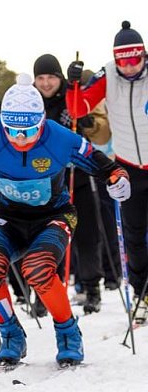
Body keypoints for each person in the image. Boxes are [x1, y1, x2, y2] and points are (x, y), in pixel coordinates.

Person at [0, 74, 130, 367]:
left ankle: (67, 332)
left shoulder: (60, 137)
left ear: (41, 121)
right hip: (8, 218)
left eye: (29, 131)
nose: (20, 139)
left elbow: (103, 166)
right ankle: (10, 334)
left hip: (53, 216)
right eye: (13, 131)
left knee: (37, 268)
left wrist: (118, 179)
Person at [66, 21, 148, 321]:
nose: (128, 67)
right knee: (134, 234)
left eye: (135, 60)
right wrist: (72, 84)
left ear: (144, 55)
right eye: (122, 61)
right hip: (127, 165)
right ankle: (141, 294)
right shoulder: (108, 74)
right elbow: (78, 109)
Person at [33, 54, 104, 314]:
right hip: (46, 182)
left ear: (60, 78)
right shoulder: (32, 101)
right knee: (47, 236)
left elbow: (90, 116)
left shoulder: (69, 96)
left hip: (78, 176)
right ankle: (44, 292)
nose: (46, 83)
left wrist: (86, 123)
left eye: (51, 77)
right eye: (41, 78)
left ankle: (91, 287)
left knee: (87, 234)